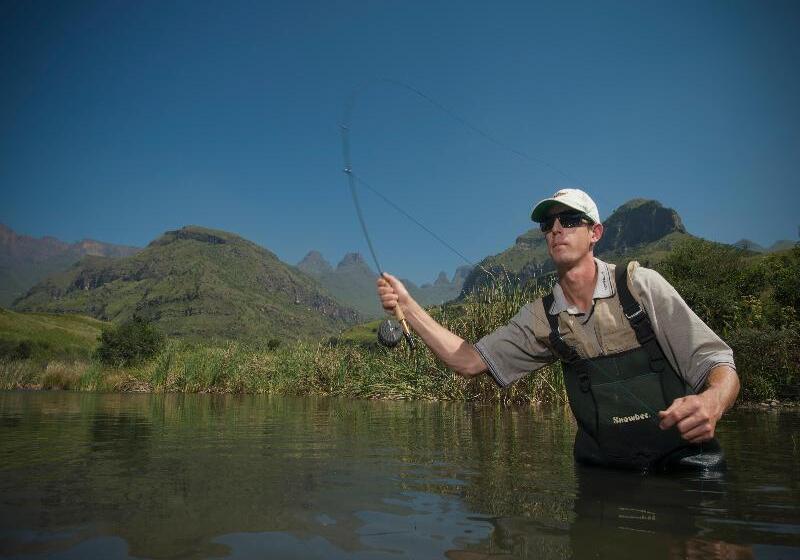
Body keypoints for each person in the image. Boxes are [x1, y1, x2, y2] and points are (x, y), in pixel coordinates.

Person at [377, 188, 740, 471]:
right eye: (547, 225)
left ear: (595, 232)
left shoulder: (641, 285)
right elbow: (469, 361)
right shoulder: (541, 318)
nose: (556, 230)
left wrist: (712, 401)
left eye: (569, 220)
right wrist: (408, 305)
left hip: (687, 466)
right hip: (603, 472)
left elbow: (718, 363)